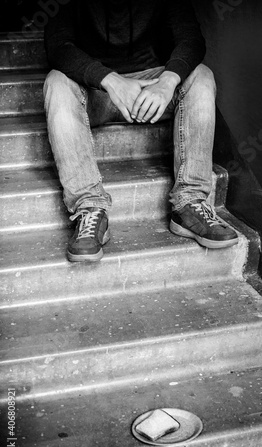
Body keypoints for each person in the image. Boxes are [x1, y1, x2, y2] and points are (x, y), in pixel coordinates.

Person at [43, 0, 238, 262]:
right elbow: (58, 47)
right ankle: (89, 210)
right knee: (56, 81)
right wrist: (110, 80)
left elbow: (191, 40)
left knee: (201, 76)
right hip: (95, 90)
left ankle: (190, 202)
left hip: (152, 87)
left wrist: (168, 80)